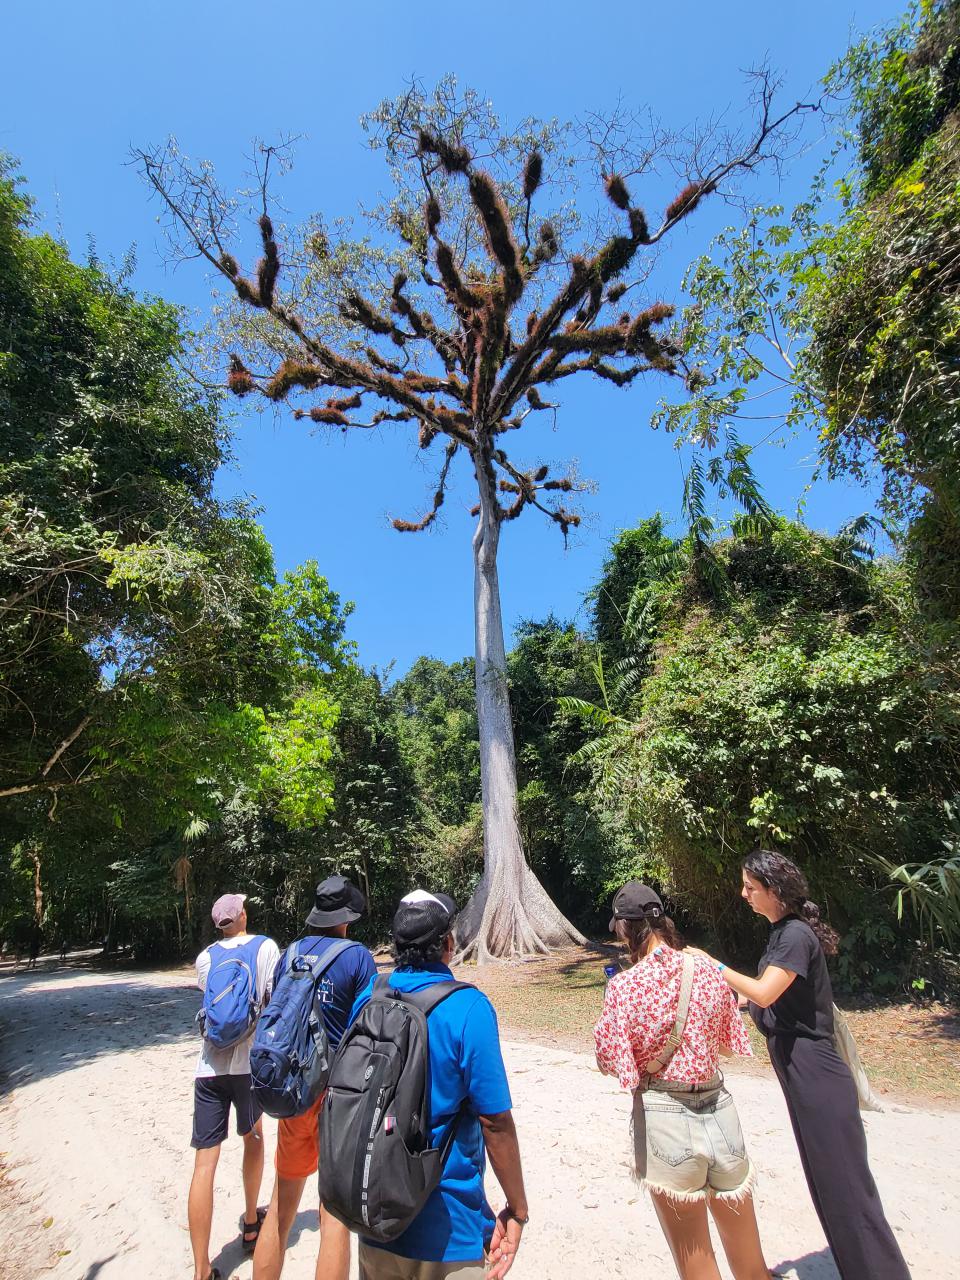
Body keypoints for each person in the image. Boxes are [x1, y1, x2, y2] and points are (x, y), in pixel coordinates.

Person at [697, 848, 912, 1280]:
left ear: (774, 891)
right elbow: (763, 998)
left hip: (817, 1075)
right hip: (802, 1076)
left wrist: (712, 964)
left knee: (847, 1187)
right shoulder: (782, 933)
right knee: (829, 1186)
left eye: (750, 887)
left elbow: (763, 993)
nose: (743, 895)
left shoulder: (794, 936)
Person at [594, 881, 778, 1280]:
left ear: (626, 929)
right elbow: (729, 1045)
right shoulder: (709, 972)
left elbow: (612, 1062)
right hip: (721, 1112)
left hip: (666, 1120)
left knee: (695, 1261)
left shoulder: (624, 988)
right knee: (750, 1261)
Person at [349, 890, 529, 1280]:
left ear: (395, 946)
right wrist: (518, 1208)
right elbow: (494, 1121)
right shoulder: (469, 1009)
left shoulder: (367, 998)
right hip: (449, 1229)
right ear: (448, 944)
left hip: (375, 1219)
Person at [253, 875, 378, 1280]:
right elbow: (367, 1028)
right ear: (346, 916)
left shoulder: (291, 952)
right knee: (334, 1216)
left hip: (295, 1091)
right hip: (337, 1095)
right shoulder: (357, 957)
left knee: (281, 1205)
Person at [189, 893, 280, 1280]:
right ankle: (249, 1220)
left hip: (208, 1067)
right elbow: (273, 1000)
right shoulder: (265, 948)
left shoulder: (205, 958)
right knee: (253, 1138)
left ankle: (200, 1269)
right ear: (243, 915)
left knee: (204, 1163)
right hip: (248, 1065)